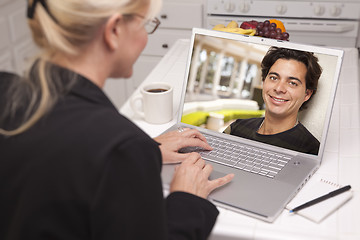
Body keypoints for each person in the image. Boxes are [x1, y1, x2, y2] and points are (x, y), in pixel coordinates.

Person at [0, 0, 234, 239]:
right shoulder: (121, 147)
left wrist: (144, 151)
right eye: (145, 25)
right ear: (114, 30)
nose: (145, 36)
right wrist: (188, 200)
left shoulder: (5, 90)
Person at [224, 47, 322, 155]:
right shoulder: (236, 128)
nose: (279, 88)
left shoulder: (311, 151)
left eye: (292, 83)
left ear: (307, 94)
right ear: (263, 81)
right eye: (274, 78)